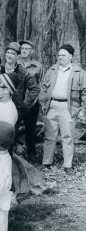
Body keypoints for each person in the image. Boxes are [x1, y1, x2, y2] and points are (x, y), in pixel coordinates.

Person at [39, 44, 86, 173]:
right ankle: (46, 163)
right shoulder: (52, 70)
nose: (60, 57)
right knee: (49, 136)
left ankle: (67, 166)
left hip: (68, 108)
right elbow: (43, 88)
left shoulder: (79, 72)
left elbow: (84, 92)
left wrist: (82, 109)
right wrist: (43, 104)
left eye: (63, 55)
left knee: (68, 137)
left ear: (71, 56)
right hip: (51, 106)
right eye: (59, 55)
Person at [3, 42, 40, 156]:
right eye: (8, 52)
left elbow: (35, 88)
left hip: (14, 109)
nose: (9, 55)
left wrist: (25, 105)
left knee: (11, 136)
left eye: (13, 54)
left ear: (18, 56)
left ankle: (11, 160)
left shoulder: (22, 71)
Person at [18, 40, 45, 161]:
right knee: (13, 126)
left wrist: (39, 102)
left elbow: (42, 85)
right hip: (16, 101)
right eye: (22, 48)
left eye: (27, 49)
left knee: (30, 129)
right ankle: (12, 152)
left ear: (32, 51)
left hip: (31, 103)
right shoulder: (15, 63)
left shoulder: (38, 66)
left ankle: (31, 154)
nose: (24, 50)